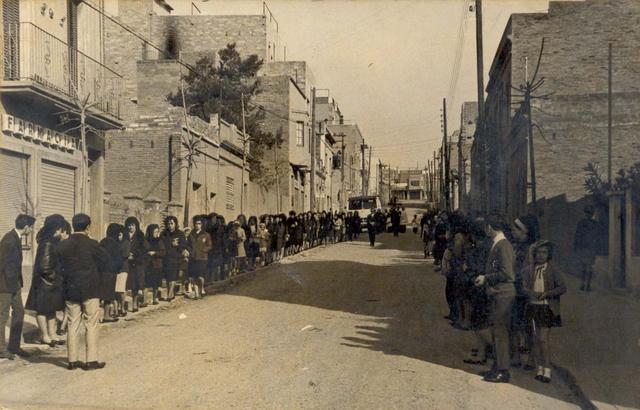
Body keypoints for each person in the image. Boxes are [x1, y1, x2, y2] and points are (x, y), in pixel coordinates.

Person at [58, 213, 110, 370]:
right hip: (90, 289)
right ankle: (91, 360)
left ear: (73, 226)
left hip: (70, 290)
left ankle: (72, 360)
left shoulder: (63, 245)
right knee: (91, 324)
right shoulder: (92, 244)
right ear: (88, 227)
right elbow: (106, 261)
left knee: (72, 325)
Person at [474, 213, 516, 383]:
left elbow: (508, 273)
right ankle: (497, 366)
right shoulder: (498, 243)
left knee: (500, 333)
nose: (485, 230)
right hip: (498, 293)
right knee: (496, 331)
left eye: (486, 227)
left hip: (503, 294)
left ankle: (503, 371)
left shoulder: (503, 245)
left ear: (489, 227)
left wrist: (486, 277)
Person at [523, 240, 566, 383]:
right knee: (534, 340)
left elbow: (562, 287)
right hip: (532, 307)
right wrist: (530, 293)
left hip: (546, 308)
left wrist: (547, 293)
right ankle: (539, 368)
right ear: (534, 255)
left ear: (549, 255)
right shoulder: (529, 270)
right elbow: (523, 287)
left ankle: (547, 369)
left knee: (543, 339)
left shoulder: (552, 270)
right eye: (539, 253)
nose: (541, 256)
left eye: (544, 253)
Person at [25, 214, 67, 347]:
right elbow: (45, 267)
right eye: (61, 229)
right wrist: (57, 277)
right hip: (45, 284)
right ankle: (45, 336)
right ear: (56, 229)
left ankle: (52, 334)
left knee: (51, 310)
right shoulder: (48, 244)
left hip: (48, 284)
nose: (62, 232)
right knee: (43, 310)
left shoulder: (49, 242)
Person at [0, 214, 36, 360]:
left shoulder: (16, 238)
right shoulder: (9, 239)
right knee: (2, 316)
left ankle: (14, 346)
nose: (32, 230)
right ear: (26, 227)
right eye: (31, 227)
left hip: (14, 284)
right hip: (4, 285)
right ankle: (1, 349)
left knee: (19, 312)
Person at [509, 215, 540, 368]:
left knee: (529, 327)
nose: (513, 231)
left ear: (525, 231)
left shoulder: (533, 249)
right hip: (515, 290)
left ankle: (532, 359)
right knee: (514, 325)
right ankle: (515, 357)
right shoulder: (515, 246)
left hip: (527, 292)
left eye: (516, 229)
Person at [99, 223, 124, 323]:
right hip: (110, 272)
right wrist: (117, 269)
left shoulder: (102, 242)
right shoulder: (115, 244)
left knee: (100, 294)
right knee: (108, 295)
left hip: (101, 271)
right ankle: (106, 315)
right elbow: (119, 260)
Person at [573, 205, 599, 292]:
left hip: (585, 248)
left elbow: (577, 235)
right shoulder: (595, 224)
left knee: (585, 267)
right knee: (588, 267)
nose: (588, 214)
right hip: (590, 248)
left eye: (589, 213)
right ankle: (586, 285)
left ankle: (584, 284)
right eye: (588, 213)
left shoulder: (581, 222)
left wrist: (576, 246)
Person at [124, 217, 147, 312]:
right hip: (126, 262)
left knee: (136, 285)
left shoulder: (140, 235)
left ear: (136, 226)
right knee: (126, 284)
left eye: (133, 225)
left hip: (137, 263)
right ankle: (124, 305)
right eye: (129, 225)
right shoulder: (124, 235)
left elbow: (144, 248)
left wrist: (135, 254)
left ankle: (135, 303)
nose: (131, 227)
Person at [161, 216, 187, 301]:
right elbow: (161, 244)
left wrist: (177, 245)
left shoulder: (180, 234)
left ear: (175, 224)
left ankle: (169, 294)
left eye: (172, 223)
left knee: (173, 276)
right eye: (168, 223)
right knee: (168, 277)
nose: (170, 225)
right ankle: (171, 294)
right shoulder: (164, 234)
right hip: (166, 258)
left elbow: (183, 246)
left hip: (176, 258)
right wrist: (170, 243)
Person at [188, 216, 212, 298]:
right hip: (193, 258)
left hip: (202, 258)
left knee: (200, 277)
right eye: (196, 223)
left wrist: (203, 250)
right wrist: (190, 252)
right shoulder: (191, 234)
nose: (197, 225)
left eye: (199, 223)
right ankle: (196, 294)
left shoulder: (206, 235)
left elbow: (209, 246)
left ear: (201, 225)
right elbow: (188, 245)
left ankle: (201, 288)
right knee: (194, 276)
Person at [145, 224, 166, 305]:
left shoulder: (159, 241)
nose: (157, 233)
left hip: (157, 264)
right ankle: (145, 300)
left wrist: (155, 253)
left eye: (157, 232)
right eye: (155, 232)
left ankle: (155, 298)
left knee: (156, 283)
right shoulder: (146, 241)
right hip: (148, 264)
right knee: (147, 283)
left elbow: (163, 252)